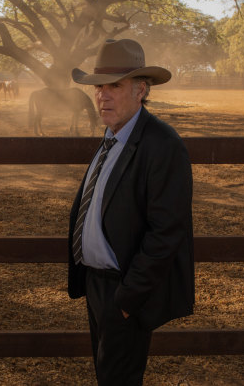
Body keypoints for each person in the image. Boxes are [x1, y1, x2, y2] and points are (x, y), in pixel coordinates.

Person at [67, 38, 195, 386]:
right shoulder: (113, 136)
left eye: (115, 86)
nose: (102, 95)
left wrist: (126, 300)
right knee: (108, 376)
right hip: (98, 284)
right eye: (98, 87)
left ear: (141, 90)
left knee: (117, 380)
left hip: (124, 290)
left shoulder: (162, 144)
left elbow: (167, 231)